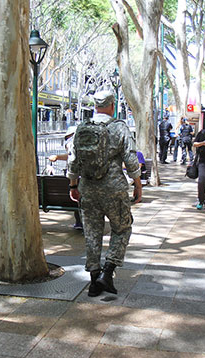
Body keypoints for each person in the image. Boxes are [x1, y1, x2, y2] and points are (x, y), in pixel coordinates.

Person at [68, 89, 142, 297]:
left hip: (88, 189)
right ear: (112, 106)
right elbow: (130, 158)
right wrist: (137, 184)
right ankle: (107, 273)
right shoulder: (119, 128)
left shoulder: (82, 128)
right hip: (114, 190)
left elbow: (73, 160)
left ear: (94, 106)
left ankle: (94, 280)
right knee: (122, 228)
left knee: (92, 233)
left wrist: (73, 186)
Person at [48, 126, 83, 230]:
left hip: (75, 185)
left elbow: (72, 158)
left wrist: (73, 186)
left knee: (77, 197)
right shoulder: (83, 143)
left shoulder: (71, 143)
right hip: (88, 181)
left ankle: (79, 222)